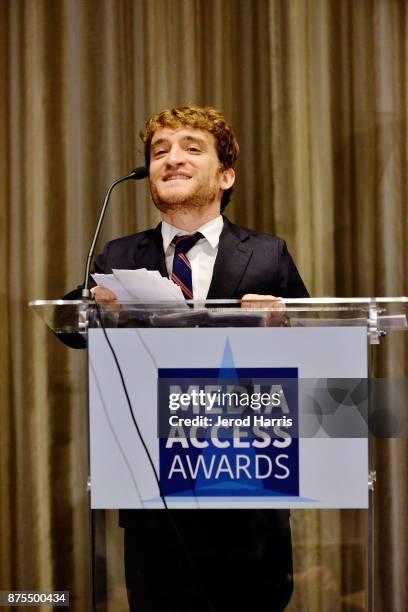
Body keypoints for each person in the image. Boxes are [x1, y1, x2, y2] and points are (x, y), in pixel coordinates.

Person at [66, 105, 309, 611]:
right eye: (159, 151)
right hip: (155, 493)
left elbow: (319, 355)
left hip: (247, 490)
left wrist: (284, 325)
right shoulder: (119, 255)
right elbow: (69, 325)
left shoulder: (267, 254)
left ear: (225, 175)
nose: (170, 159)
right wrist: (93, 307)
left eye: (190, 148)